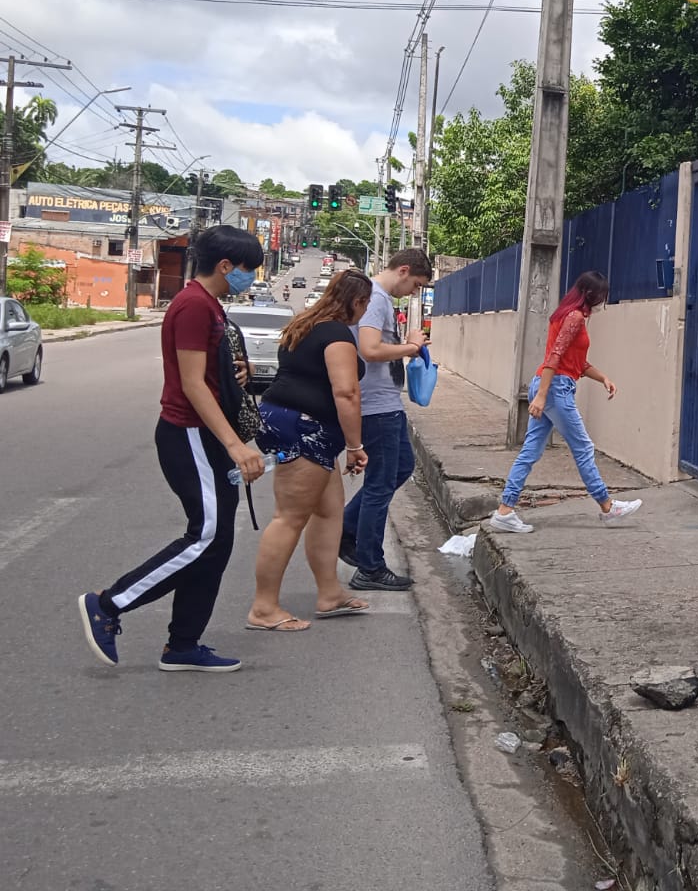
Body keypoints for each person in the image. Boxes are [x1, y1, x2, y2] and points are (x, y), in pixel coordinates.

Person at [75, 225, 266, 673]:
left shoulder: (212, 307)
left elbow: (210, 372)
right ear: (225, 267)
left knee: (217, 543)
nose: (251, 278)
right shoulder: (194, 305)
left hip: (205, 436)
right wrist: (236, 446)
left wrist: (237, 370)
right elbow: (192, 385)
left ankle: (183, 645)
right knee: (204, 536)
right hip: (191, 435)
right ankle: (108, 604)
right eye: (248, 270)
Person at [248, 270, 374, 631]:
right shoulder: (336, 334)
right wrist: (355, 446)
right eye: (364, 305)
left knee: (328, 511)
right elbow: (346, 392)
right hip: (305, 428)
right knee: (289, 517)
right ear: (357, 302)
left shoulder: (304, 325)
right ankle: (263, 608)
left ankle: (330, 593)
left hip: (292, 422)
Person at [490, 270, 642, 533]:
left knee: (530, 451)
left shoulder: (566, 315)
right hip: (556, 388)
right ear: (590, 294)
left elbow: (578, 363)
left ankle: (505, 509)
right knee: (583, 447)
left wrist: (603, 377)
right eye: (601, 295)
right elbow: (555, 357)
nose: (602, 301)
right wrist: (540, 396)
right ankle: (608, 507)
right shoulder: (574, 318)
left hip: (553, 385)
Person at [341, 248, 433, 591]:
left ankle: (347, 529)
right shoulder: (376, 298)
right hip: (375, 406)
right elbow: (370, 349)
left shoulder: (377, 298)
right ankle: (370, 567)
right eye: (415, 285)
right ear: (404, 270)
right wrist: (410, 347)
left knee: (401, 468)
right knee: (380, 485)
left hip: (385, 402)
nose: (413, 293)